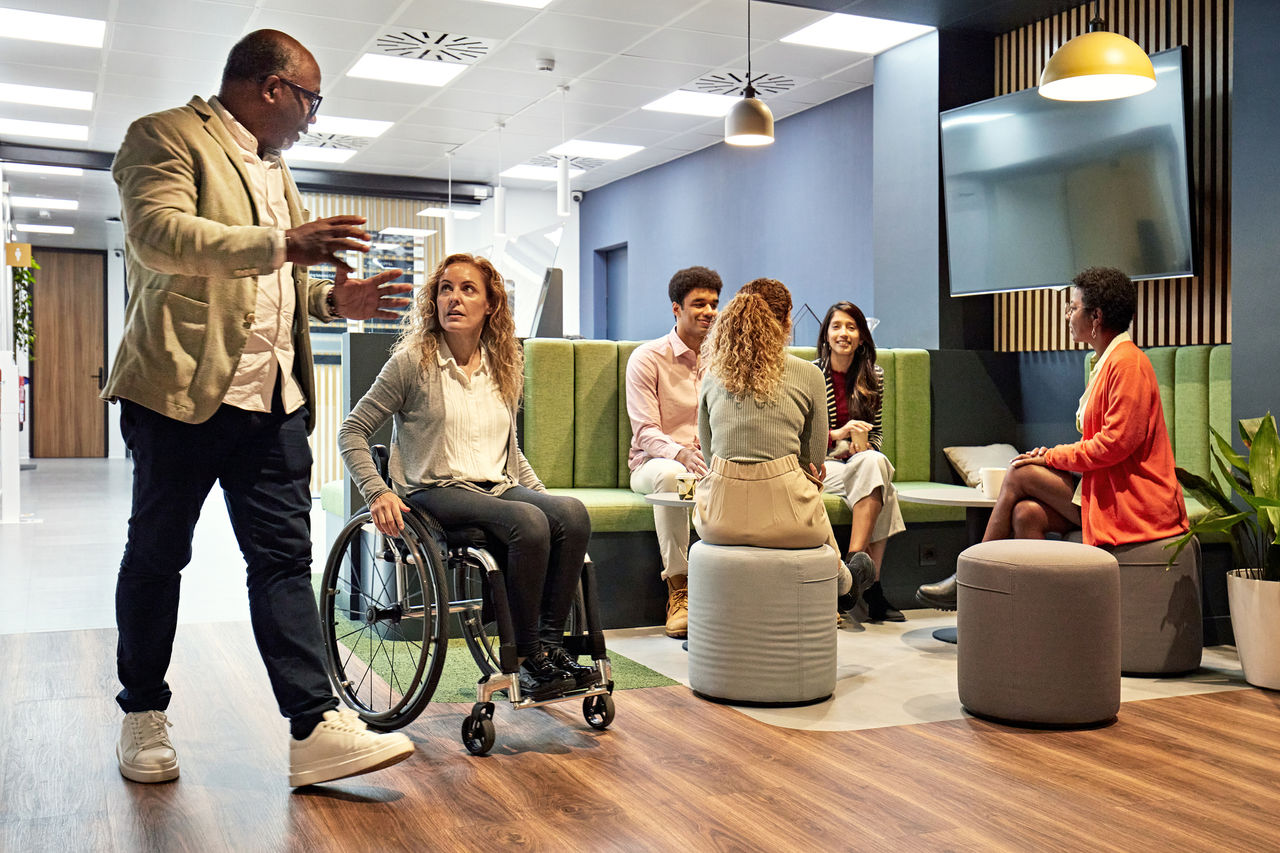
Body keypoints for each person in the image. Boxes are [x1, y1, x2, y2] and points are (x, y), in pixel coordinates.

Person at [103, 30, 416, 788]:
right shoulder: (164, 137)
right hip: (180, 394)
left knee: (282, 561)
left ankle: (312, 727)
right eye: (311, 100)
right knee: (158, 556)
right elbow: (159, 236)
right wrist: (283, 242)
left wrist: (331, 299)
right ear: (272, 88)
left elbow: (269, 288)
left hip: (272, 403)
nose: (313, 117)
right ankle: (142, 710)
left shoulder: (278, 169)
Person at [339, 253, 594, 701]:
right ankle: (527, 655)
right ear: (433, 301)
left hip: (496, 487)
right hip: (435, 491)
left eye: (468, 289)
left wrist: (542, 496)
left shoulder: (503, 365)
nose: (454, 298)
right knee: (528, 522)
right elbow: (351, 430)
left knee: (569, 513)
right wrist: (376, 491)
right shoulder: (411, 364)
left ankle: (551, 650)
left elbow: (508, 451)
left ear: (491, 304)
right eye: (445, 288)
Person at [916, 266, 1188, 609]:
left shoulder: (1128, 364)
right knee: (1027, 514)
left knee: (1020, 471)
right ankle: (1038, 614)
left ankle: (970, 576)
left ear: (1096, 316)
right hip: (1106, 491)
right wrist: (1053, 456)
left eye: (1073, 308)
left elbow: (1115, 444)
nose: (1067, 315)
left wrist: (1052, 457)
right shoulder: (1105, 361)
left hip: (1134, 501)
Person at [693, 278, 858, 609]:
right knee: (806, 487)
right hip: (790, 521)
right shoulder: (809, 374)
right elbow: (814, 458)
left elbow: (711, 455)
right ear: (786, 321)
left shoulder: (711, 376)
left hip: (719, 520)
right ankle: (844, 581)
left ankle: (844, 580)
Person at [626, 266, 722, 638]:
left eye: (714, 304)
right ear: (675, 309)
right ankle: (678, 588)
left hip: (708, 463)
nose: (709, 312)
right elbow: (646, 431)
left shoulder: (721, 360)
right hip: (653, 466)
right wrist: (681, 454)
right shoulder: (648, 358)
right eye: (699, 303)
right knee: (672, 474)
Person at [815, 302, 906, 622]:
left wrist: (864, 445)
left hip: (859, 465)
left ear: (862, 337)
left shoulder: (874, 376)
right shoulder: (812, 373)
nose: (844, 333)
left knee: (874, 465)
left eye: (851, 327)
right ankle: (871, 586)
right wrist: (840, 436)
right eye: (837, 326)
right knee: (884, 486)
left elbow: (877, 434)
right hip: (823, 467)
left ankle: (854, 567)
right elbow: (804, 437)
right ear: (826, 334)